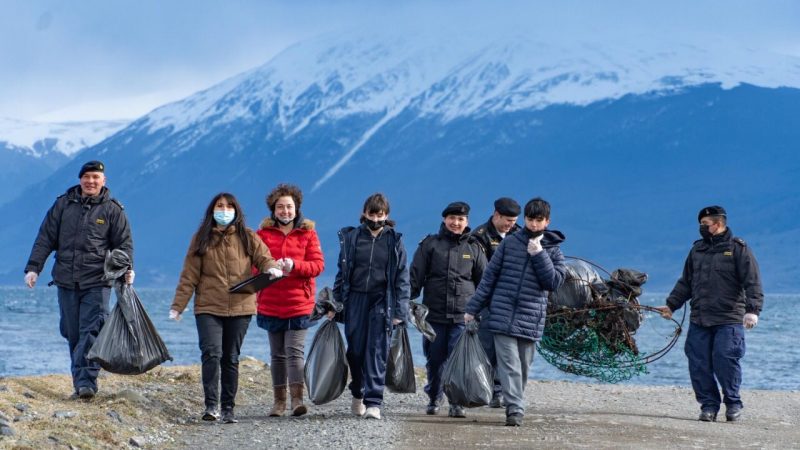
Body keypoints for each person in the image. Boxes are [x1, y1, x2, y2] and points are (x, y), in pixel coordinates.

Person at [24, 160, 134, 400]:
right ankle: (81, 380)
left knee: (91, 330)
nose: (91, 181)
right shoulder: (63, 205)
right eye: (87, 177)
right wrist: (34, 268)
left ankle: (86, 384)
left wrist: (127, 269)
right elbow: (45, 237)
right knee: (72, 332)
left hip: (97, 281)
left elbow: (123, 245)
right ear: (80, 179)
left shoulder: (113, 210)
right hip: (65, 280)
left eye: (96, 177)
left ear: (103, 181)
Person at [170, 193, 281, 424]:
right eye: (219, 206)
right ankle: (211, 405)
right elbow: (189, 274)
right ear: (212, 211)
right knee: (211, 353)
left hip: (241, 307)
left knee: (230, 357)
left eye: (229, 206)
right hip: (208, 306)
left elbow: (264, 258)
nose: (224, 210)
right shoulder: (201, 238)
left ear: (236, 210)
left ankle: (228, 407)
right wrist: (178, 306)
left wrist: (271, 269)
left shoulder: (247, 236)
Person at [655, 205, 764, 423]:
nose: (701, 229)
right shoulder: (697, 250)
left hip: (729, 318)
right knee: (698, 363)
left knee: (725, 359)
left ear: (718, 224)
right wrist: (671, 305)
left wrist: (752, 311)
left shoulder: (738, 249)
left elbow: (752, 281)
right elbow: (685, 282)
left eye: (705, 225)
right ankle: (708, 406)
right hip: (700, 318)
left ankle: (732, 403)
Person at [465, 197, 566, 427]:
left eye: (538, 221)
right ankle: (515, 409)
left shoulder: (553, 251)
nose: (533, 225)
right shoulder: (509, 244)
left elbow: (553, 283)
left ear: (547, 222)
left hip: (531, 318)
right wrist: (473, 308)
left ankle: (515, 402)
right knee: (509, 364)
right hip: (502, 313)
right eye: (530, 219)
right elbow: (489, 278)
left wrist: (539, 255)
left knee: (522, 366)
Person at [333, 193, 411, 420]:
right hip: (355, 299)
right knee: (355, 351)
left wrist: (400, 311)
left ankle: (374, 401)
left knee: (377, 350)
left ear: (387, 216)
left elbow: (402, 279)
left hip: (382, 300)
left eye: (380, 214)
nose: (375, 218)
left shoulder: (394, 241)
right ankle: (357, 391)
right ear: (364, 213)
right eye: (371, 214)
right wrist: (335, 303)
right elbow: (342, 274)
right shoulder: (352, 238)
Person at [410, 201, 486, 418]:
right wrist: (405, 302)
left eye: (460, 219)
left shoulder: (474, 248)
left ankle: (456, 402)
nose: (456, 223)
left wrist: (481, 311)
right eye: (452, 218)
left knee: (457, 360)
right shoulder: (429, 245)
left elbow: (484, 282)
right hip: (433, 315)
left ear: (467, 222)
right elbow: (415, 278)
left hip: (463, 316)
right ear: (445, 220)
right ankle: (434, 397)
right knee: (434, 360)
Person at [255, 184, 324, 417]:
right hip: (271, 302)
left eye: (289, 207)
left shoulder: (308, 233)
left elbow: (317, 266)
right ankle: (278, 402)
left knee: (294, 352)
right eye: (280, 207)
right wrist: (269, 269)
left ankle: (297, 400)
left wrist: (295, 266)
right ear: (273, 210)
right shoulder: (262, 235)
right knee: (277, 355)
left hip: (299, 303)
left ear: (297, 209)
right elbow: (254, 267)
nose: (285, 211)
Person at [470, 197, 521, 408]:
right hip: (487, 301)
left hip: (512, 303)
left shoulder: (519, 235)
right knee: (487, 347)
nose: (511, 224)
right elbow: (479, 273)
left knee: (507, 348)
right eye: (507, 220)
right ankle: (483, 388)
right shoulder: (479, 237)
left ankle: (499, 390)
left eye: (514, 220)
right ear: (496, 215)